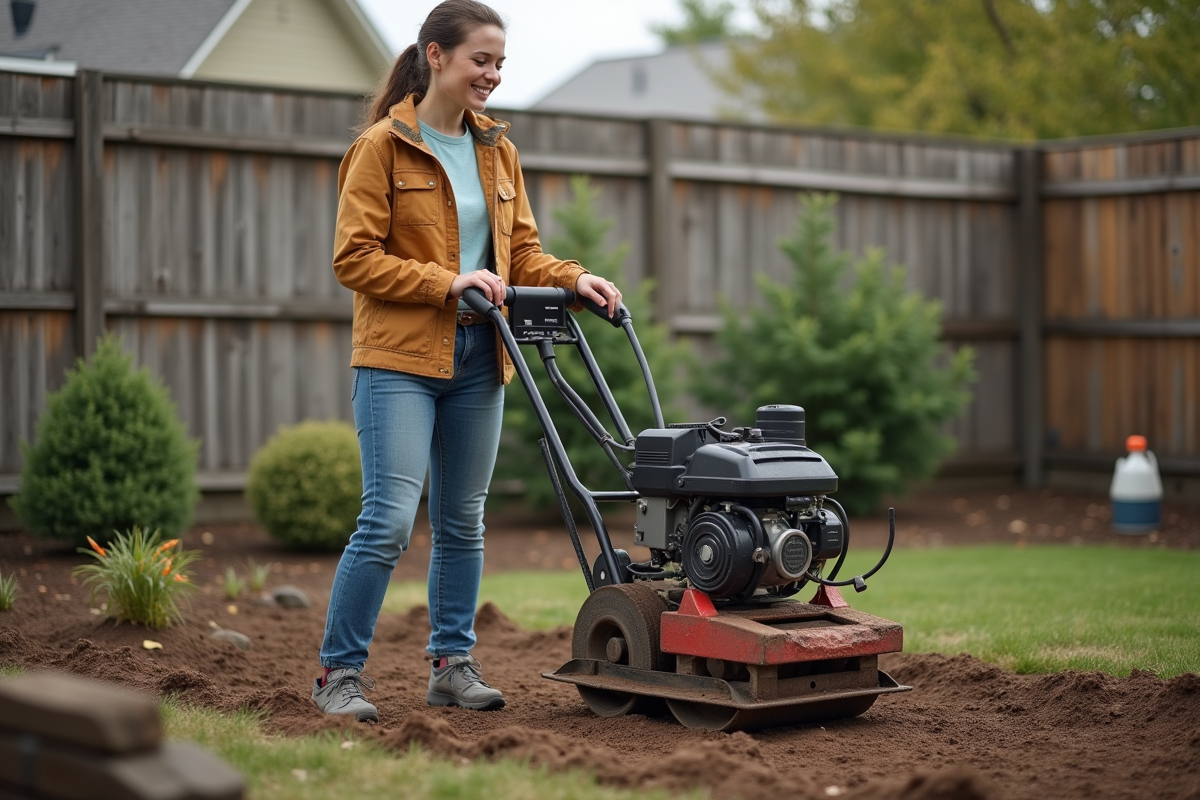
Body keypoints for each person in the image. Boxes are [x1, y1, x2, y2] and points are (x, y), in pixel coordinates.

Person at [311, 0, 622, 723]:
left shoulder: (497, 150)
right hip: (398, 360)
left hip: (482, 356)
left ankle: (452, 666)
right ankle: (338, 674)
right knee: (387, 521)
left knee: (463, 520)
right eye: (481, 60)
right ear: (436, 56)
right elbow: (354, 259)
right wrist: (445, 282)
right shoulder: (381, 148)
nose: (493, 74)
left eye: (500, 63)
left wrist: (573, 279)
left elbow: (520, 256)